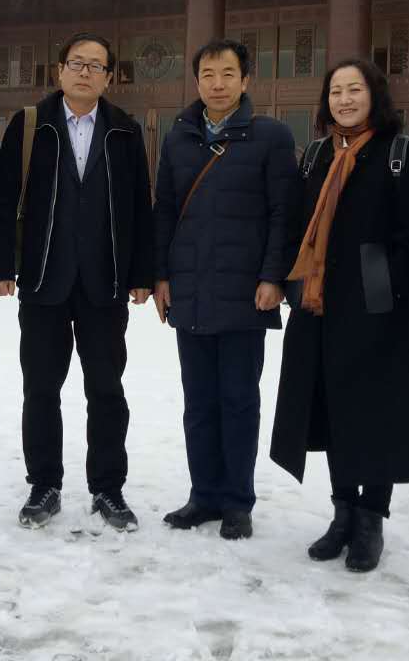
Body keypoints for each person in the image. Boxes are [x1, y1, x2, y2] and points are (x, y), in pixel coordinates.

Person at [0, 32, 154, 531]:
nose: (84, 72)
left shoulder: (125, 130)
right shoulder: (30, 125)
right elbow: (3, 198)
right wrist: (0, 265)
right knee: (41, 388)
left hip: (105, 283)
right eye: (76, 63)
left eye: (95, 65)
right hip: (44, 280)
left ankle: (108, 488)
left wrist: (141, 273)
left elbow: (140, 206)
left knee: (107, 390)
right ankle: (44, 484)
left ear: (108, 77)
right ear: (59, 71)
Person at [269, 58, 409, 572]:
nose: (344, 100)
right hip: (320, 306)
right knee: (333, 409)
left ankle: (371, 519)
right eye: (336, 91)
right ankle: (342, 512)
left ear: (374, 95)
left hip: (377, 307)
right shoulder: (318, 153)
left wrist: (385, 285)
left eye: (354, 89)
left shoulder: (399, 152)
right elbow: (299, 222)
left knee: (375, 412)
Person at [152, 39, 299, 540]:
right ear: (196, 81)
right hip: (189, 288)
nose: (217, 84)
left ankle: (237, 501)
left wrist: (273, 276)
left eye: (228, 74)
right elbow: (164, 210)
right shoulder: (178, 137)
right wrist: (161, 275)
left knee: (238, 400)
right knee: (198, 402)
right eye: (208, 75)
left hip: (244, 291)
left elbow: (283, 214)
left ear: (245, 79)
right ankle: (204, 495)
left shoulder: (270, 136)